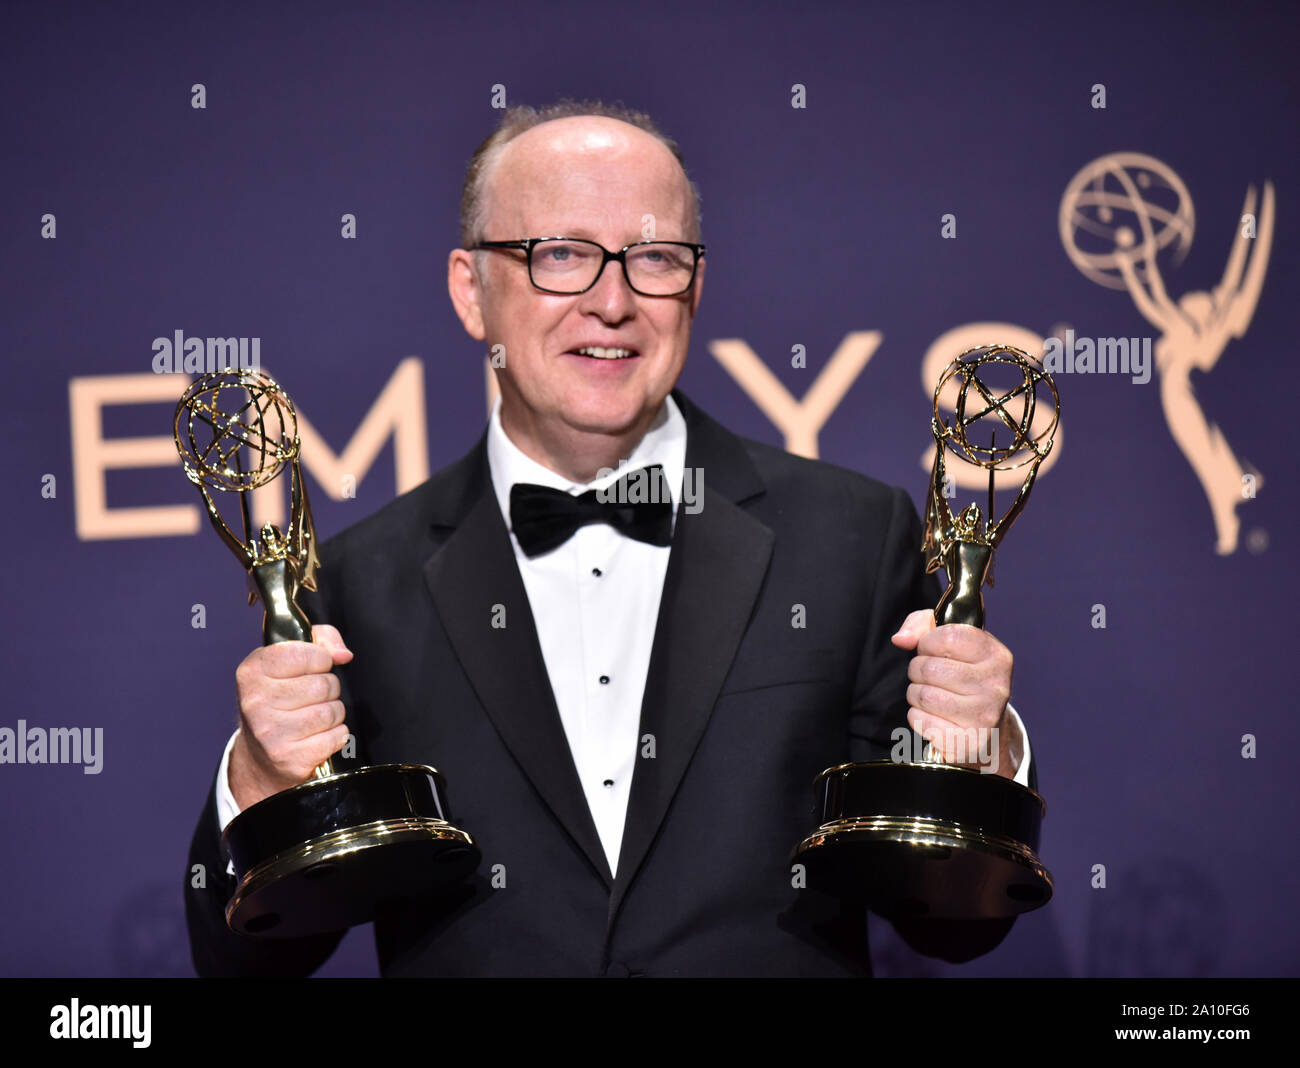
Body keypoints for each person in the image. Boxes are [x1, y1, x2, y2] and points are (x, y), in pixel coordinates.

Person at [185, 99, 1034, 977]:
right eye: (560, 255)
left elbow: (954, 925)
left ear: (696, 287)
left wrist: (981, 755)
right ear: (470, 290)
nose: (614, 302)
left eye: (656, 258)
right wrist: (261, 775)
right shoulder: (363, 582)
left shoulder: (850, 535)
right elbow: (248, 958)